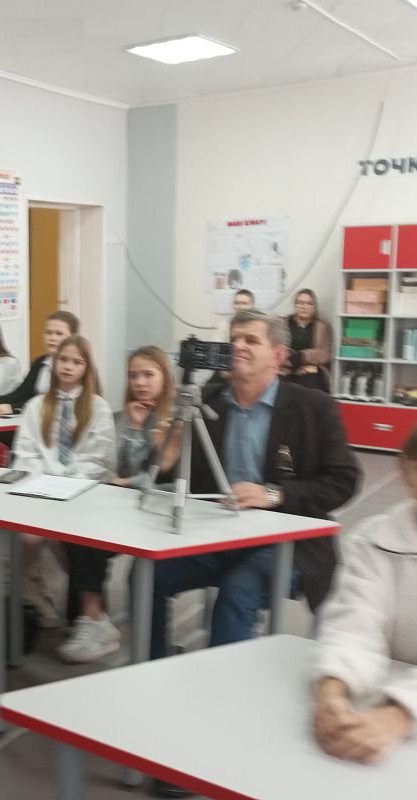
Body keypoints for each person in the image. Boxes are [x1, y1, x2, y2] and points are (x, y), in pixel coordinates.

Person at [142, 308, 359, 798]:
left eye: (250, 340)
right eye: (233, 338)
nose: (237, 346)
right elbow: (167, 475)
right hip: (215, 536)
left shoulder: (312, 406)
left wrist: (275, 494)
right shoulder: (207, 400)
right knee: (148, 574)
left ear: (278, 355)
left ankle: (219, 735)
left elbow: (345, 480)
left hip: (287, 544)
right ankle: (152, 691)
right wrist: (166, 455)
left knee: (237, 595)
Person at [311, 427, 417, 765]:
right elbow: (353, 624)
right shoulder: (375, 540)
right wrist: (334, 688)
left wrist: (399, 715)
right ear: (406, 470)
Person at [11, 335, 117, 663]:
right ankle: (36, 601)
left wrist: (65, 484)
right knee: (25, 540)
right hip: (40, 493)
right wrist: (44, 483)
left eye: (77, 362)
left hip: (81, 496)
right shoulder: (36, 406)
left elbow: (99, 460)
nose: (68, 367)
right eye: (63, 360)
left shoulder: (98, 407)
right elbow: (25, 454)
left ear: (87, 368)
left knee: (73, 542)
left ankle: (92, 616)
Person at [112, 346, 175, 489]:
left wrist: (129, 482)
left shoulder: (177, 420)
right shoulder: (120, 418)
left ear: (165, 379)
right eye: (133, 376)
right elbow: (123, 471)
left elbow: (173, 484)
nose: (139, 382)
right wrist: (135, 426)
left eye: (148, 375)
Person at [0, 310, 79, 415]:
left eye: (59, 334)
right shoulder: (40, 363)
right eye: (48, 333)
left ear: (72, 337)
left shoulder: (74, 368)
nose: (52, 338)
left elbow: (54, 402)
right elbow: (21, 394)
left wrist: (13, 408)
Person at [283, 288, 333, 392]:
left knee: (310, 385)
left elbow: (325, 353)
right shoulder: (283, 323)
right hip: (286, 367)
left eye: (309, 303)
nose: (304, 307)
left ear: (314, 306)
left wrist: (303, 356)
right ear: (295, 304)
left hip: (311, 368)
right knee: (281, 386)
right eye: (300, 303)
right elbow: (276, 348)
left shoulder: (322, 326)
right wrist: (291, 364)